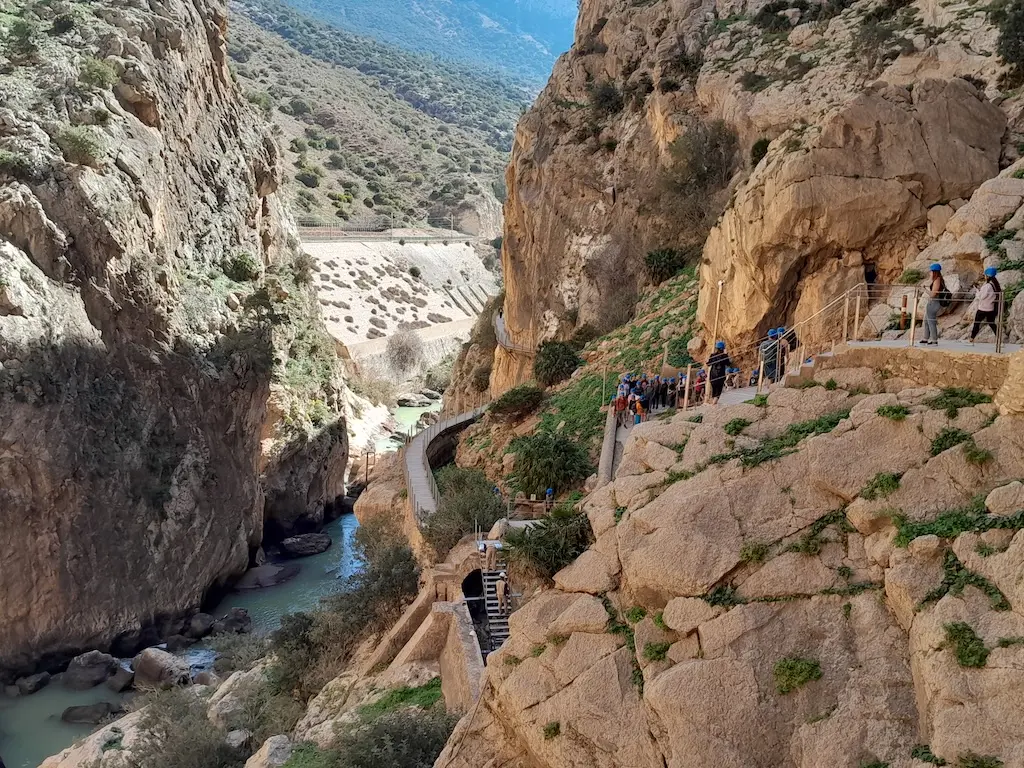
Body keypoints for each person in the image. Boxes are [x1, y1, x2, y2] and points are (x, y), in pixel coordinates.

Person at [970, 267, 1002, 343]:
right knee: (991, 323)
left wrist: (977, 290)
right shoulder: (995, 284)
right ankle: (999, 339)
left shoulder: (987, 286)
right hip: (991, 308)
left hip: (983, 308)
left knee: (977, 323)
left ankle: (972, 338)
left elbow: (981, 297)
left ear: (987, 276)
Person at [920, 263, 949, 345]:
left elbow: (933, 294)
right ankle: (926, 338)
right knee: (926, 320)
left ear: (934, 272)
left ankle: (934, 340)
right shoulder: (938, 279)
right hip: (933, 302)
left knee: (931, 321)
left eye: (931, 271)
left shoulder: (937, 280)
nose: (930, 273)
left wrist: (924, 290)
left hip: (934, 303)